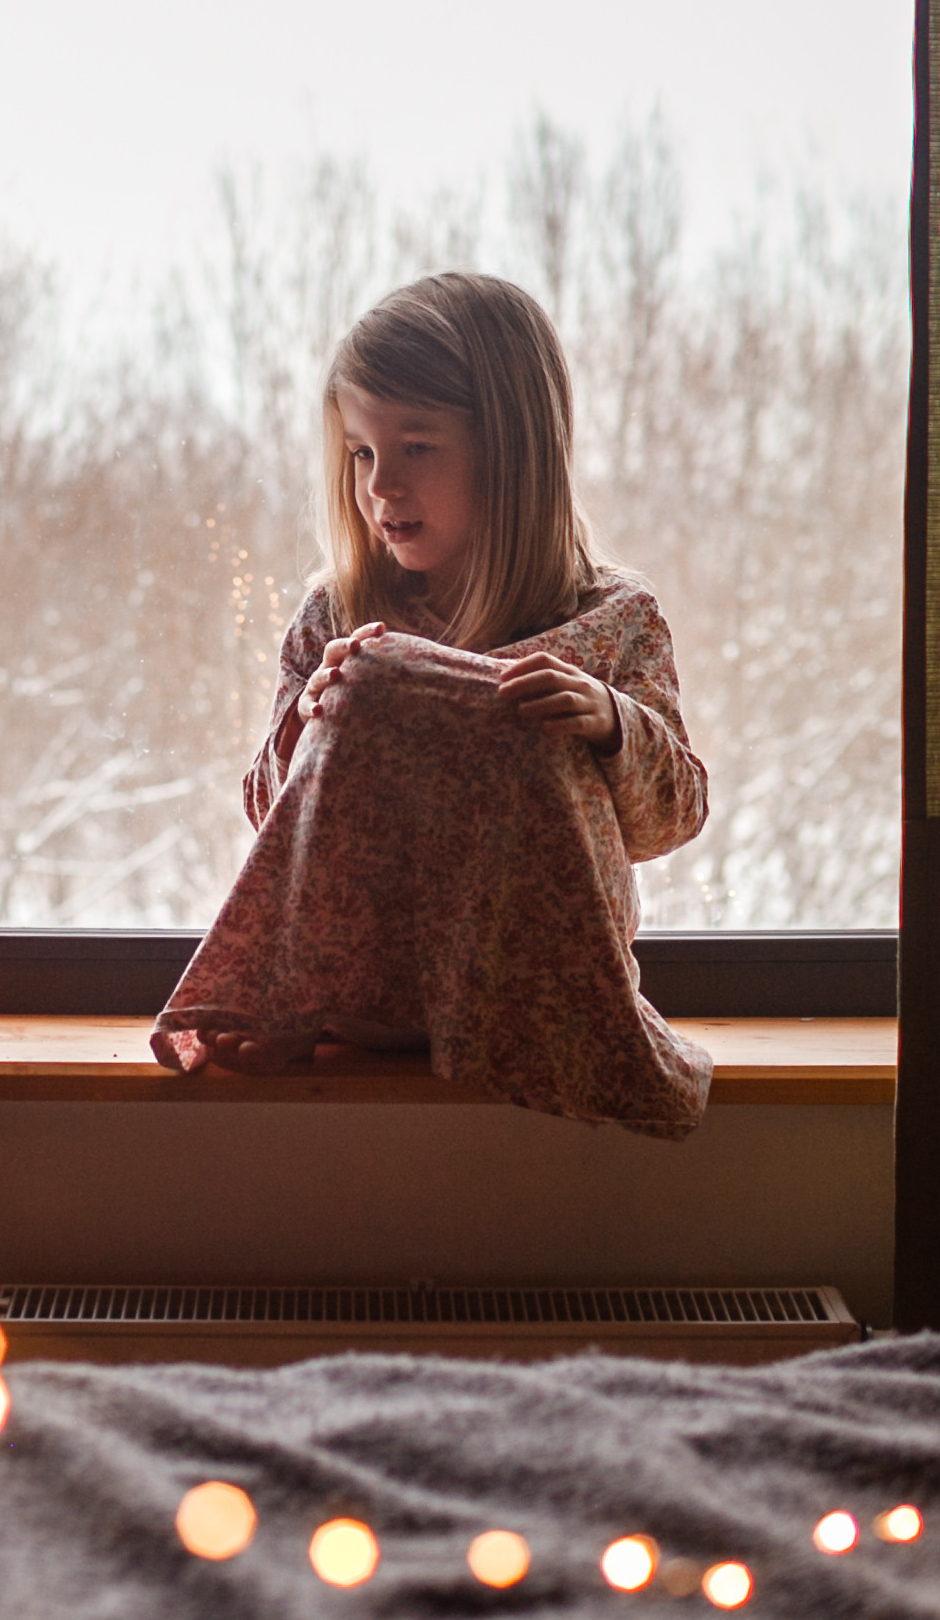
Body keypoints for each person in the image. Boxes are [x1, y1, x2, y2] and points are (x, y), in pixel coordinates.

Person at [153, 271, 712, 1136]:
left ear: (511, 449)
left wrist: (609, 722)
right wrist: (316, 719)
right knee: (367, 687)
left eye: (416, 448)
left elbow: (671, 819)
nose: (381, 486)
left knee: (525, 724)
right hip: (367, 996)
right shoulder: (336, 613)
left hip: (529, 988)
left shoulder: (612, 618)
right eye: (362, 453)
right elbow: (272, 817)